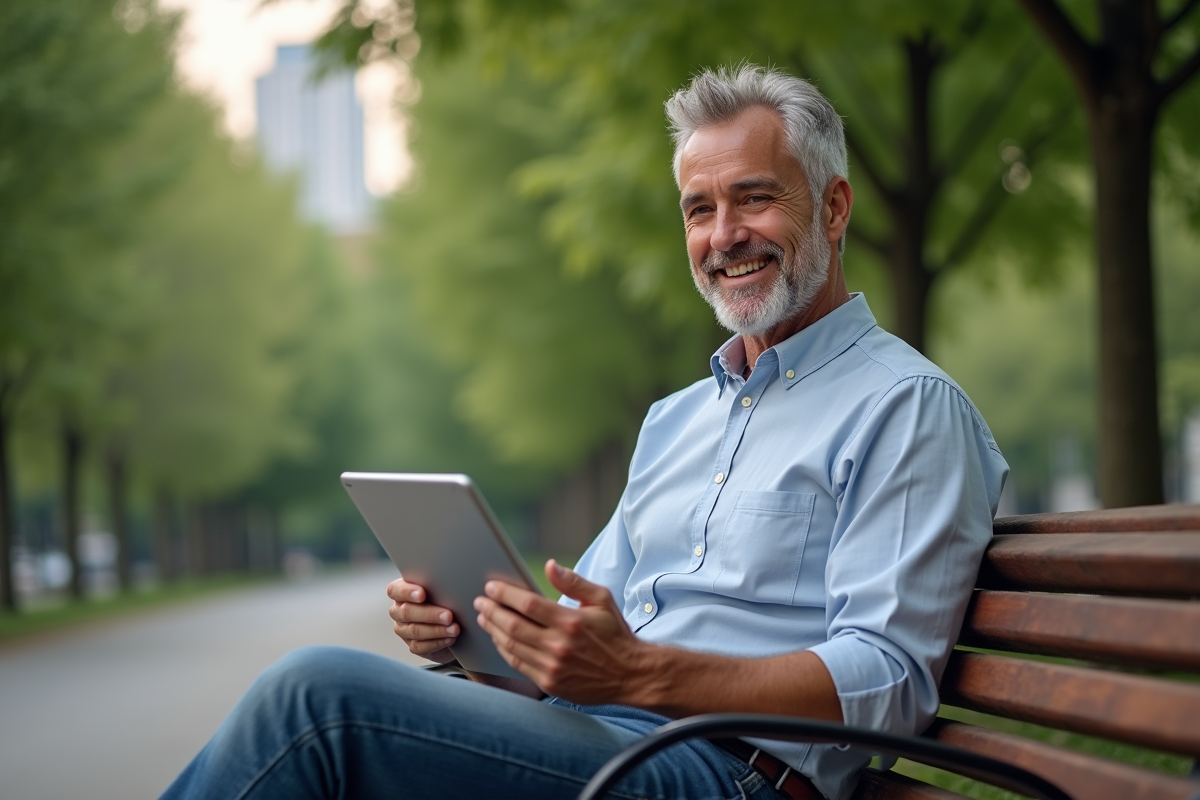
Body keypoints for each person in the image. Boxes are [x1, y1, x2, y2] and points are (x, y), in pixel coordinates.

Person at [160, 64, 1007, 800]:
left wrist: (644, 674)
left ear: (833, 207)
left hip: (729, 777)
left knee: (316, 701)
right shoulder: (676, 420)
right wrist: (480, 639)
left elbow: (890, 679)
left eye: (754, 198)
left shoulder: (907, 407)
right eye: (698, 209)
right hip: (601, 746)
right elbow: (580, 636)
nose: (723, 237)